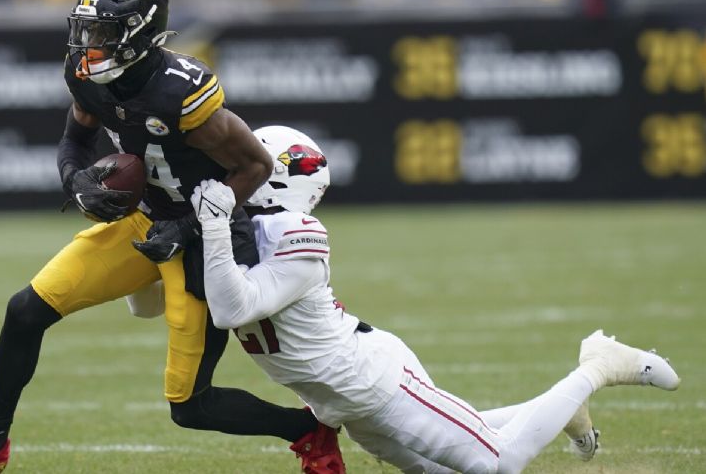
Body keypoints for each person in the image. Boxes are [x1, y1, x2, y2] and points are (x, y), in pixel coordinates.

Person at [0, 0, 344, 473]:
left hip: (206, 239)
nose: (88, 45)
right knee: (26, 310)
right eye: (85, 30)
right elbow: (75, 139)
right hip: (145, 219)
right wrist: (75, 181)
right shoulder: (89, 77)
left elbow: (255, 165)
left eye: (102, 34)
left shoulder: (179, 90)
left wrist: (187, 226)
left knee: (190, 406)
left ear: (139, 35)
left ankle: (308, 431)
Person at [184, 125, 682, 473]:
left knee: (496, 462)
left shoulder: (293, 230)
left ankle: (598, 366)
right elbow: (154, 303)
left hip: (374, 380)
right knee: (453, 456)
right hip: (342, 398)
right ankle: (561, 412)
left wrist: (211, 222)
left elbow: (231, 309)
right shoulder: (244, 227)